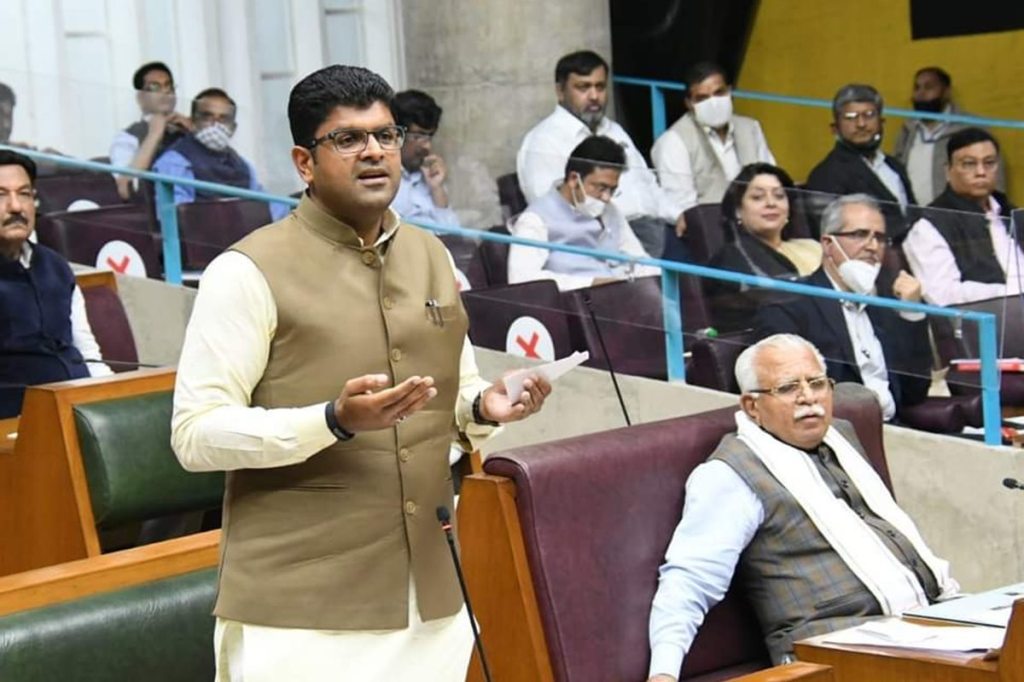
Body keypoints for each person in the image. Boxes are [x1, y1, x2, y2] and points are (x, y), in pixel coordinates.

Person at [170, 64, 552, 681]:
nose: (374, 151)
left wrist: (485, 409)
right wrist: (331, 421)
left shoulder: (430, 254)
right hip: (303, 607)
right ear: (304, 162)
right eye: (348, 139)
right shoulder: (246, 271)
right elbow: (195, 435)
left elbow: (452, 397)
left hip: (429, 590)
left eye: (386, 135)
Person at [646, 333, 958, 681]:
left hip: (921, 626)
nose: (808, 398)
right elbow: (690, 579)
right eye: (788, 388)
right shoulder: (729, 474)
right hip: (829, 653)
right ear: (752, 406)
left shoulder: (841, 437)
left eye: (817, 383)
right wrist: (663, 674)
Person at [755, 194, 931, 421]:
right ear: (828, 244)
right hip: (837, 435)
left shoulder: (885, 303)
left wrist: (911, 311)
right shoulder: (792, 305)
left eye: (879, 237)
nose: (872, 246)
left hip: (896, 429)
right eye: (859, 235)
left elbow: (914, 391)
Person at [516, 50, 680, 258]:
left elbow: (649, 185)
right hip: (604, 242)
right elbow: (553, 213)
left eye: (600, 87)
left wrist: (681, 215)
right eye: (583, 87)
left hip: (658, 229)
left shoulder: (614, 130)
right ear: (560, 91)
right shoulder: (544, 141)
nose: (594, 96)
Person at [0, 150, 112, 418]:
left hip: (79, 409)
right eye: (1, 194)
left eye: (24, 193)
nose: (16, 206)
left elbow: (87, 351)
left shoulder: (56, 266)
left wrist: (113, 397)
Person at [508, 135, 660, 290]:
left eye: (612, 190)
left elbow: (639, 259)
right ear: (574, 179)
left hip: (625, 296)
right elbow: (522, 279)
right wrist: (590, 282)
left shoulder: (609, 210)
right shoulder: (536, 220)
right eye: (601, 188)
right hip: (576, 305)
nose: (606, 197)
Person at [651, 62, 775, 237]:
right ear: (689, 103)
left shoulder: (751, 128)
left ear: (730, 91)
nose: (713, 103)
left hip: (760, 226)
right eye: (702, 98)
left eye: (719, 93)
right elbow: (685, 207)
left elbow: (771, 179)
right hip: (712, 233)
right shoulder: (674, 141)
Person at [903, 127, 1021, 307]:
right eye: (969, 164)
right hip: (982, 325)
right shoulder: (929, 225)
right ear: (948, 171)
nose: (981, 172)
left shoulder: (1009, 212)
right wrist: (1013, 294)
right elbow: (944, 295)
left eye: (989, 163)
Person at [703, 163, 820, 333]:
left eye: (779, 196)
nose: (771, 203)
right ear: (737, 210)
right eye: (758, 197)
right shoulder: (730, 258)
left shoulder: (813, 247)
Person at [153, 88, 289, 220]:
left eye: (223, 119)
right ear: (192, 122)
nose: (215, 124)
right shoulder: (175, 162)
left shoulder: (243, 166)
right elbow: (176, 218)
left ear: (233, 128)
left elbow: (267, 207)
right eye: (207, 117)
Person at [806, 84, 916, 240]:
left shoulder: (894, 166)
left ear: (881, 122)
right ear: (835, 128)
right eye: (851, 117)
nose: (861, 124)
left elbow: (914, 216)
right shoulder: (826, 174)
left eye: (869, 115)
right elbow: (830, 233)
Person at [892, 67, 1005, 206]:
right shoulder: (907, 132)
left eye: (929, 87)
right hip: (915, 216)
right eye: (917, 87)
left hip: (961, 218)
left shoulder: (972, 128)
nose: (921, 93)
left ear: (946, 92)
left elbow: (995, 181)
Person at [109, 61, 193, 199]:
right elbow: (124, 187)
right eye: (155, 87)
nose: (165, 91)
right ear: (140, 97)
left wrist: (195, 135)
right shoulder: (128, 137)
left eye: (169, 86)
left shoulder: (188, 128)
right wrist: (154, 135)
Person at [389, 89, 458, 226]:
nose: (427, 146)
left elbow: (453, 232)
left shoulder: (427, 174)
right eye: (418, 137)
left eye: (430, 136)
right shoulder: (383, 179)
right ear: (396, 134)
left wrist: (437, 188)